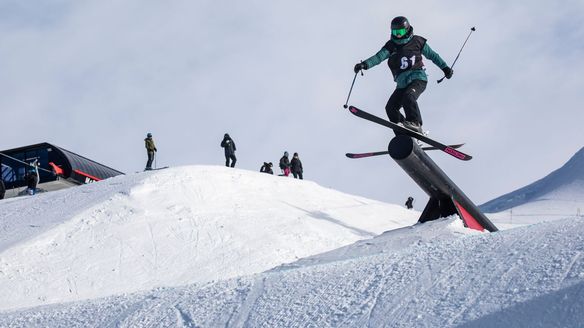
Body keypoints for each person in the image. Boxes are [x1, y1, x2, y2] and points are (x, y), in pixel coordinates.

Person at [353, 16, 453, 134]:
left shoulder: (417, 41)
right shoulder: (391, 46)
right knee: (390, 108)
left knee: (408, 97)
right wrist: (364, 65)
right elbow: (378, 57)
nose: (398, 35)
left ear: (407, 29)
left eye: (400, 32)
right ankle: (404, 134)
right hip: (402, 84)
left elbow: (433, 55)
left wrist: (445, 68)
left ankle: (415, 123)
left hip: (418, 78)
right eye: (395, 32)